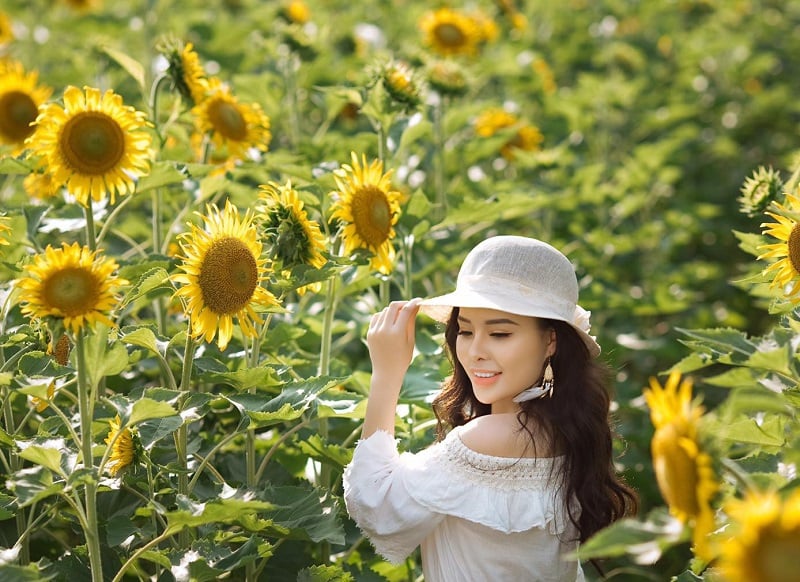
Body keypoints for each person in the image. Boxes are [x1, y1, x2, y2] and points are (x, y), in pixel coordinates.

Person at [343, 235, 638, 581]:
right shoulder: (562, 428)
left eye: (499, 334)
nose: (475, 351)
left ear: (550, 342)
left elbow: (374, 503)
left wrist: (386, 375)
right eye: (465, 331)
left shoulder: (491, 437)